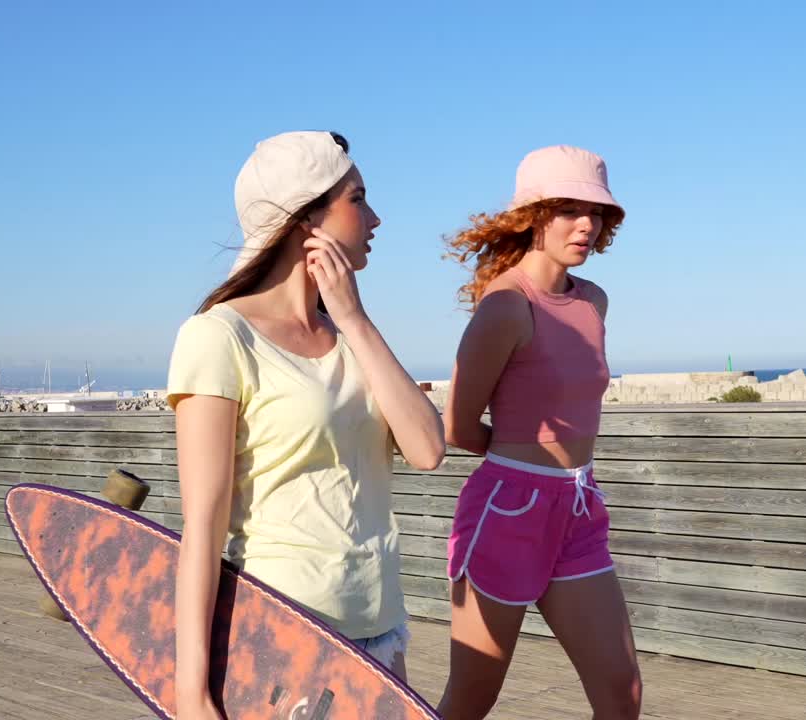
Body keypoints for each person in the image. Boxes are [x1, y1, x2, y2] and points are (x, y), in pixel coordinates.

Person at [167, 131, 444, 719]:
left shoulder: (350, 338)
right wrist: (191, 694)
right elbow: (205, 521)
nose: (375, 217)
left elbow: (427, 448)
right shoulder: (218, 336)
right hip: (281, 635)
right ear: (305, 219)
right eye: (358, 199)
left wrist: (354, 316)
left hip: (380, 630)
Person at [439, 145, 641, 719]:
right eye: (570, 210)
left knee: (621, 695)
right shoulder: (506, 305)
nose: (587, 225)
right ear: (534, 215)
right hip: (507, 511)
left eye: (597, 213)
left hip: (579, 507)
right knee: (471, 701)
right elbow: (458, 425)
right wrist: (517, 459)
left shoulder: (594, 302)